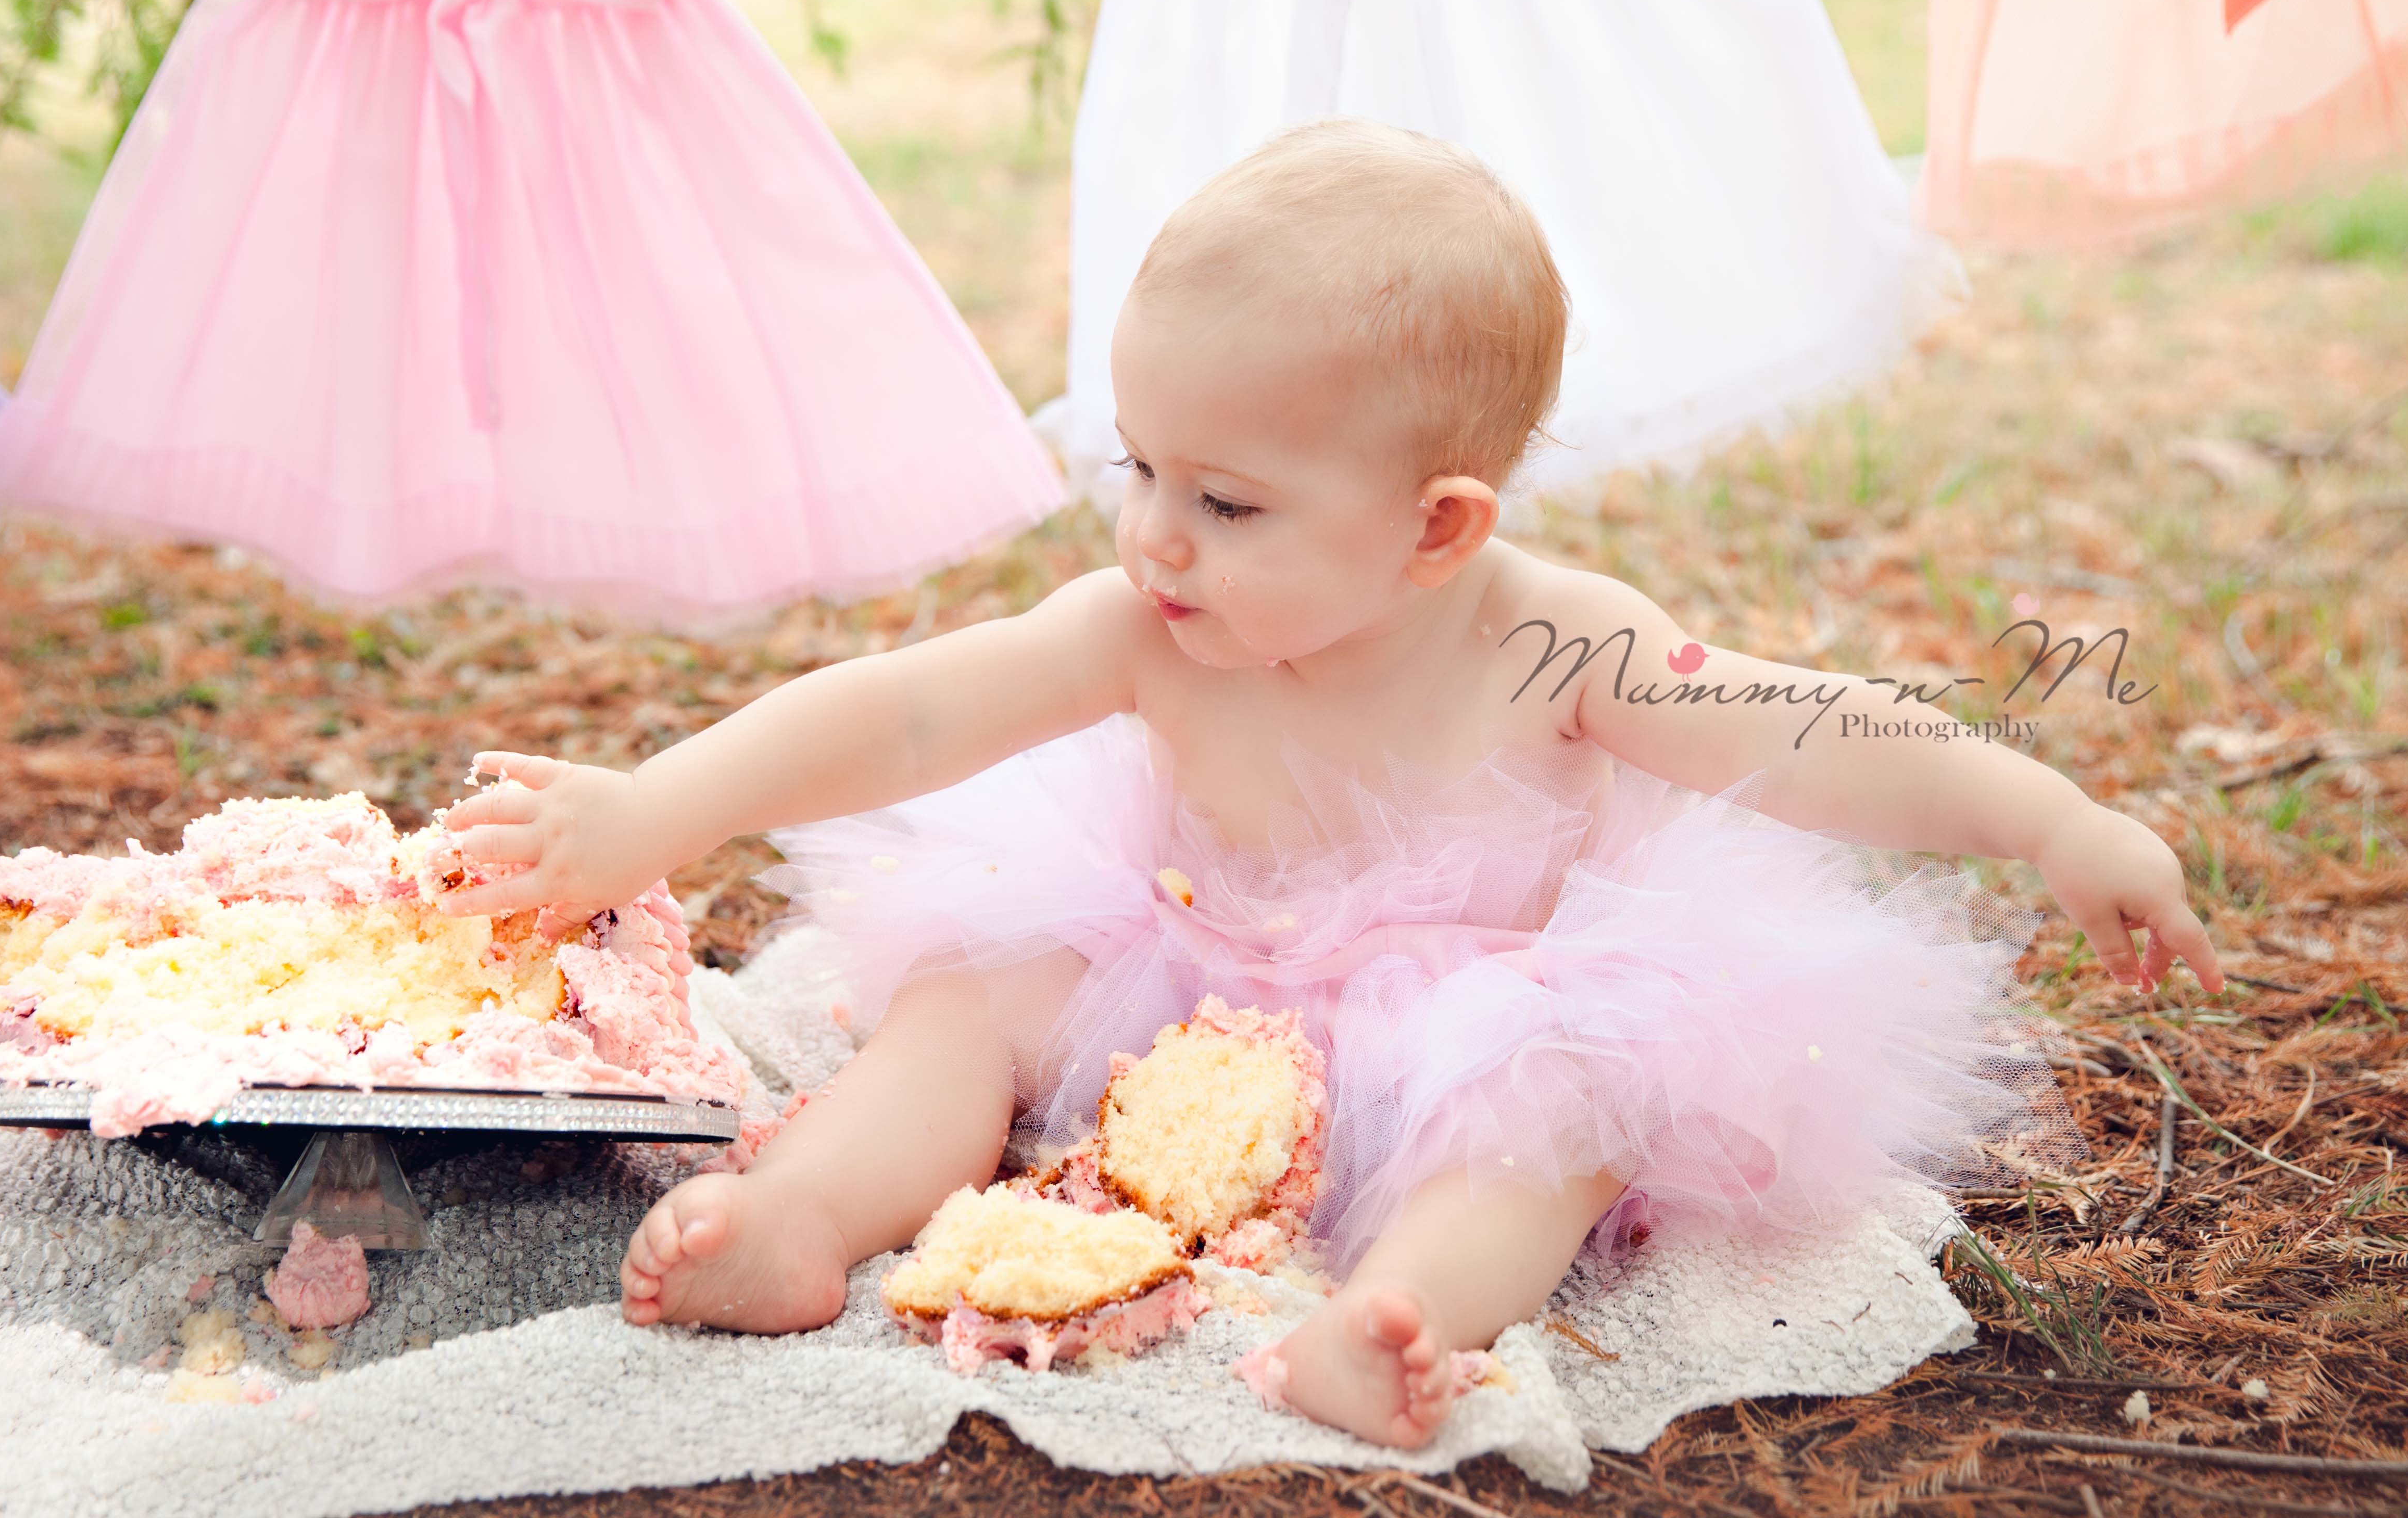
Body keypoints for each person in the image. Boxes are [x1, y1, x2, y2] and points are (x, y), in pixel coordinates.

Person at [439, 118, 2222, 1446]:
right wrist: (653, 806)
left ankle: (1395, 1321)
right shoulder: (1149, 621)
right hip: (1179, 954)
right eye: (1140, 466)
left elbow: (1798, 723)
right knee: (966, 1001)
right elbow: (910, 716)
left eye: (1227, 502)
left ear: (1438, 528)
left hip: (1465, 1007)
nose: (1152, 537)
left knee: (1566, 1111)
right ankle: (805, 1221)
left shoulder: (1552, 641)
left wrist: (2047, 815)